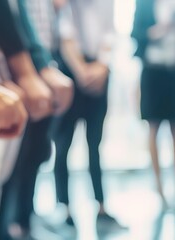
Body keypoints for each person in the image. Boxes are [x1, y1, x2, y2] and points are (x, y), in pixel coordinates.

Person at [0, 0, 75, 238]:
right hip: (21, 70)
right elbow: (14, 21)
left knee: (37, 152)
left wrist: (45, 65)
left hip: (44, 64)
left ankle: (24, 219)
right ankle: (10, 224)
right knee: (13, 160)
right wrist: (34, 70)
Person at [52, 0, 122, 229]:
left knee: (95, 144)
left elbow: (109, 34)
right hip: (70, 72)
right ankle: (64, 207)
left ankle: (101, 205)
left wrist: (102, 66)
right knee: (64, 145)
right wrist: (82, 72)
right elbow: (65, 37)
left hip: (99, 72)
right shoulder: (66, 5)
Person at [132, 0, 175, 206]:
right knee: (153, 128)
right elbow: (136, 34)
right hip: (153, 71)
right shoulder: (144, 3)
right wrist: (160, 29)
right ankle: (158, 186)